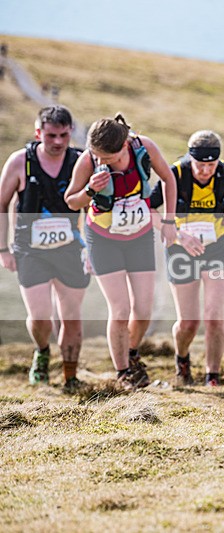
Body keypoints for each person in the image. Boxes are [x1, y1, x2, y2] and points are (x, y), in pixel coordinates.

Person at [65, 114, 178, 390]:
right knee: (120, 308)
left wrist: (169, 221)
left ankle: (131, 351)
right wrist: (91, 190)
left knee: (143, 309)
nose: (102, 162)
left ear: (124, 145)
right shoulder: (88, 160)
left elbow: (169, 179)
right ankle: (123, 373)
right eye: (98, 155)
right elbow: (70, 200)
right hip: (103, 239)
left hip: (138, 236)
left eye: (108, 157)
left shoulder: (143, 147)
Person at [0, 106, 90, 392]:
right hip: (30, 249)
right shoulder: (20, 162)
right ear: (38, 133)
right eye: (51, 135)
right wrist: (3, 249)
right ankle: (42, 352)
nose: (58, 142)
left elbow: (94, 208)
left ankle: (70, 375)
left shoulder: (80, 161)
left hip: (71, 249)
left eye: (64, 135)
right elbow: (1, 204)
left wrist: (93, 249)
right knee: (40, 316)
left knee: (71, 316)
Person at [150, 130, 224, 387]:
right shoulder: (175, 174)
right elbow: (149, 208)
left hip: (217, 246)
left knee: (214, 316)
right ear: (191, 158)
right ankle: (182, 359)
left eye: (211, 165)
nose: (205, 171)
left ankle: (212, 376)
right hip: (180, 248)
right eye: (200, 165)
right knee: (188, 322)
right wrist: (177, 235)